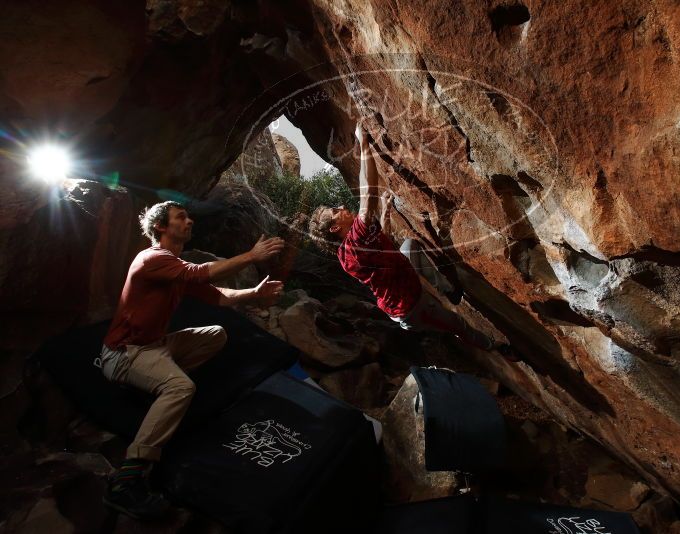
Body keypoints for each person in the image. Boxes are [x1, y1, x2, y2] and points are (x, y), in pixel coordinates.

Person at [100, 200, 285, 519]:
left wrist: (254, 293)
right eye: (181, 217)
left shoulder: (174, 266)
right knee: (181, 388)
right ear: (161, 227)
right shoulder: (153, 258)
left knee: (216, 334)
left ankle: (153, 385)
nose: (189, 222)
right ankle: (125, 481)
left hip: (155, 346)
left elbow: (218, 296)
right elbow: (201, 274)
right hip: (124, 354)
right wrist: (252, 257)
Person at [309, 123, 513, 356]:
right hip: (411, 307)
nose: (342, 206)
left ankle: (448, 290)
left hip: (403, 278)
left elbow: (381, 243)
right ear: (335, 227)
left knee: (409, 245)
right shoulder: (354, 245)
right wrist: (364, 145)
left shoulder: (353, 246)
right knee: (458, 325)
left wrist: (385, 212)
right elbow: (368, 195)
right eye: (336, 210)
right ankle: (494, 347)